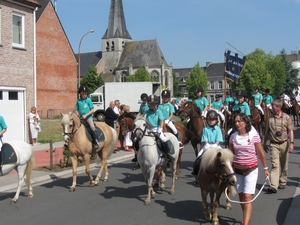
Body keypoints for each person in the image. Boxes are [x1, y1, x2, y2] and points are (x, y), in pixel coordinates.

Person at [229, 113, 270, 225]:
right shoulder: (233, 137)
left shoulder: (254, 136)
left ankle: (245, 223)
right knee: (241, 196)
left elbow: (260, 153)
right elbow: (230, 154)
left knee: (247, 196)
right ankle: (246, 218)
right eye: (235, 122)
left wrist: (265, 168)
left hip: (251, 169)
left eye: (240, 121)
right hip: (237, 170)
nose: (237, 123)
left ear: (246, 122)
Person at [263, 99, 294, 193]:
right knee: (275, 165)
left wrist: (291, 143)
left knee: (284, 164)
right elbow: (267, 132)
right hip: (274, 144)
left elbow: (291, 131)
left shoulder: (287, 117)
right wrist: (264, 143)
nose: (272, 108)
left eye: (274, 106)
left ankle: (283, 181)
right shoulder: (270, 118)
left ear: (279, 108)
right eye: (272, 106)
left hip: (284, 143)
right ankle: (274, 186)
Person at [191, 110, 223, 180]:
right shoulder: (205, 129)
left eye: (213, 119)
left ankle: (226, 176)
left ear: (216, 120)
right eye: (209, 119)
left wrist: (215, 145)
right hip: (207, 145)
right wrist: (207, 144)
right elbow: (204, 138)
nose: (211, 121)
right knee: (198, 158)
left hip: (216, 145)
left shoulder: (218, 129)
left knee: (225, 158)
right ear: (207, 120)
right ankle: (196, 174)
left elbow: (218, 139)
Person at [144, 94, 174, 162]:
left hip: (156, 129)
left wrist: (160, 129)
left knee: (163, 139)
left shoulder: (158, 111)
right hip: (148, 129)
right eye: (151, 104)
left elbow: (161, 121)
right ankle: (137, 156)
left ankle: (168, 153)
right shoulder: (146, 112)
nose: (153, 106)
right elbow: (143, 119)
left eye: (154, 104)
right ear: (149, 104)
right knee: (137, 139)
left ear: (157, 104)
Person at [74, 85, 100, 151]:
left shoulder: (88, 100)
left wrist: (86, 115)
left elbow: (92, 110)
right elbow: (75, 109)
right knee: (74, 127)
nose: (84, 94)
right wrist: (77, 113)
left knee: (92, 127)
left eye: (85, 93)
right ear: (80, 93)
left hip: (88, 117)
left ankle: (96, 141)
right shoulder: (78, 101)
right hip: (80, 118)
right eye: (83, 93)